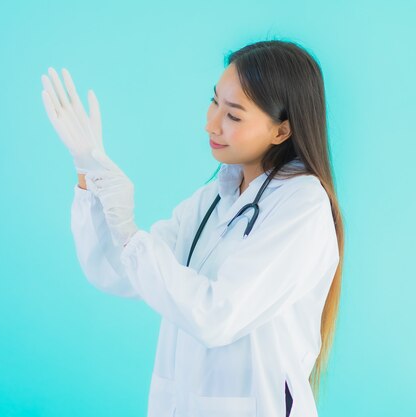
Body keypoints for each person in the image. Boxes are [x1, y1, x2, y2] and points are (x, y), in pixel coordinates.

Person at [41, 39, 345, 417]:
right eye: (215, 101)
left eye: (234, 116)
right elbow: (120, 273)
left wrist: (130, 231)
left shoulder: (302, 206)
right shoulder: (213, 198)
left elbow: (217, 315)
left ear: (281, 131)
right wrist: (90, 172)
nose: (211, 123)